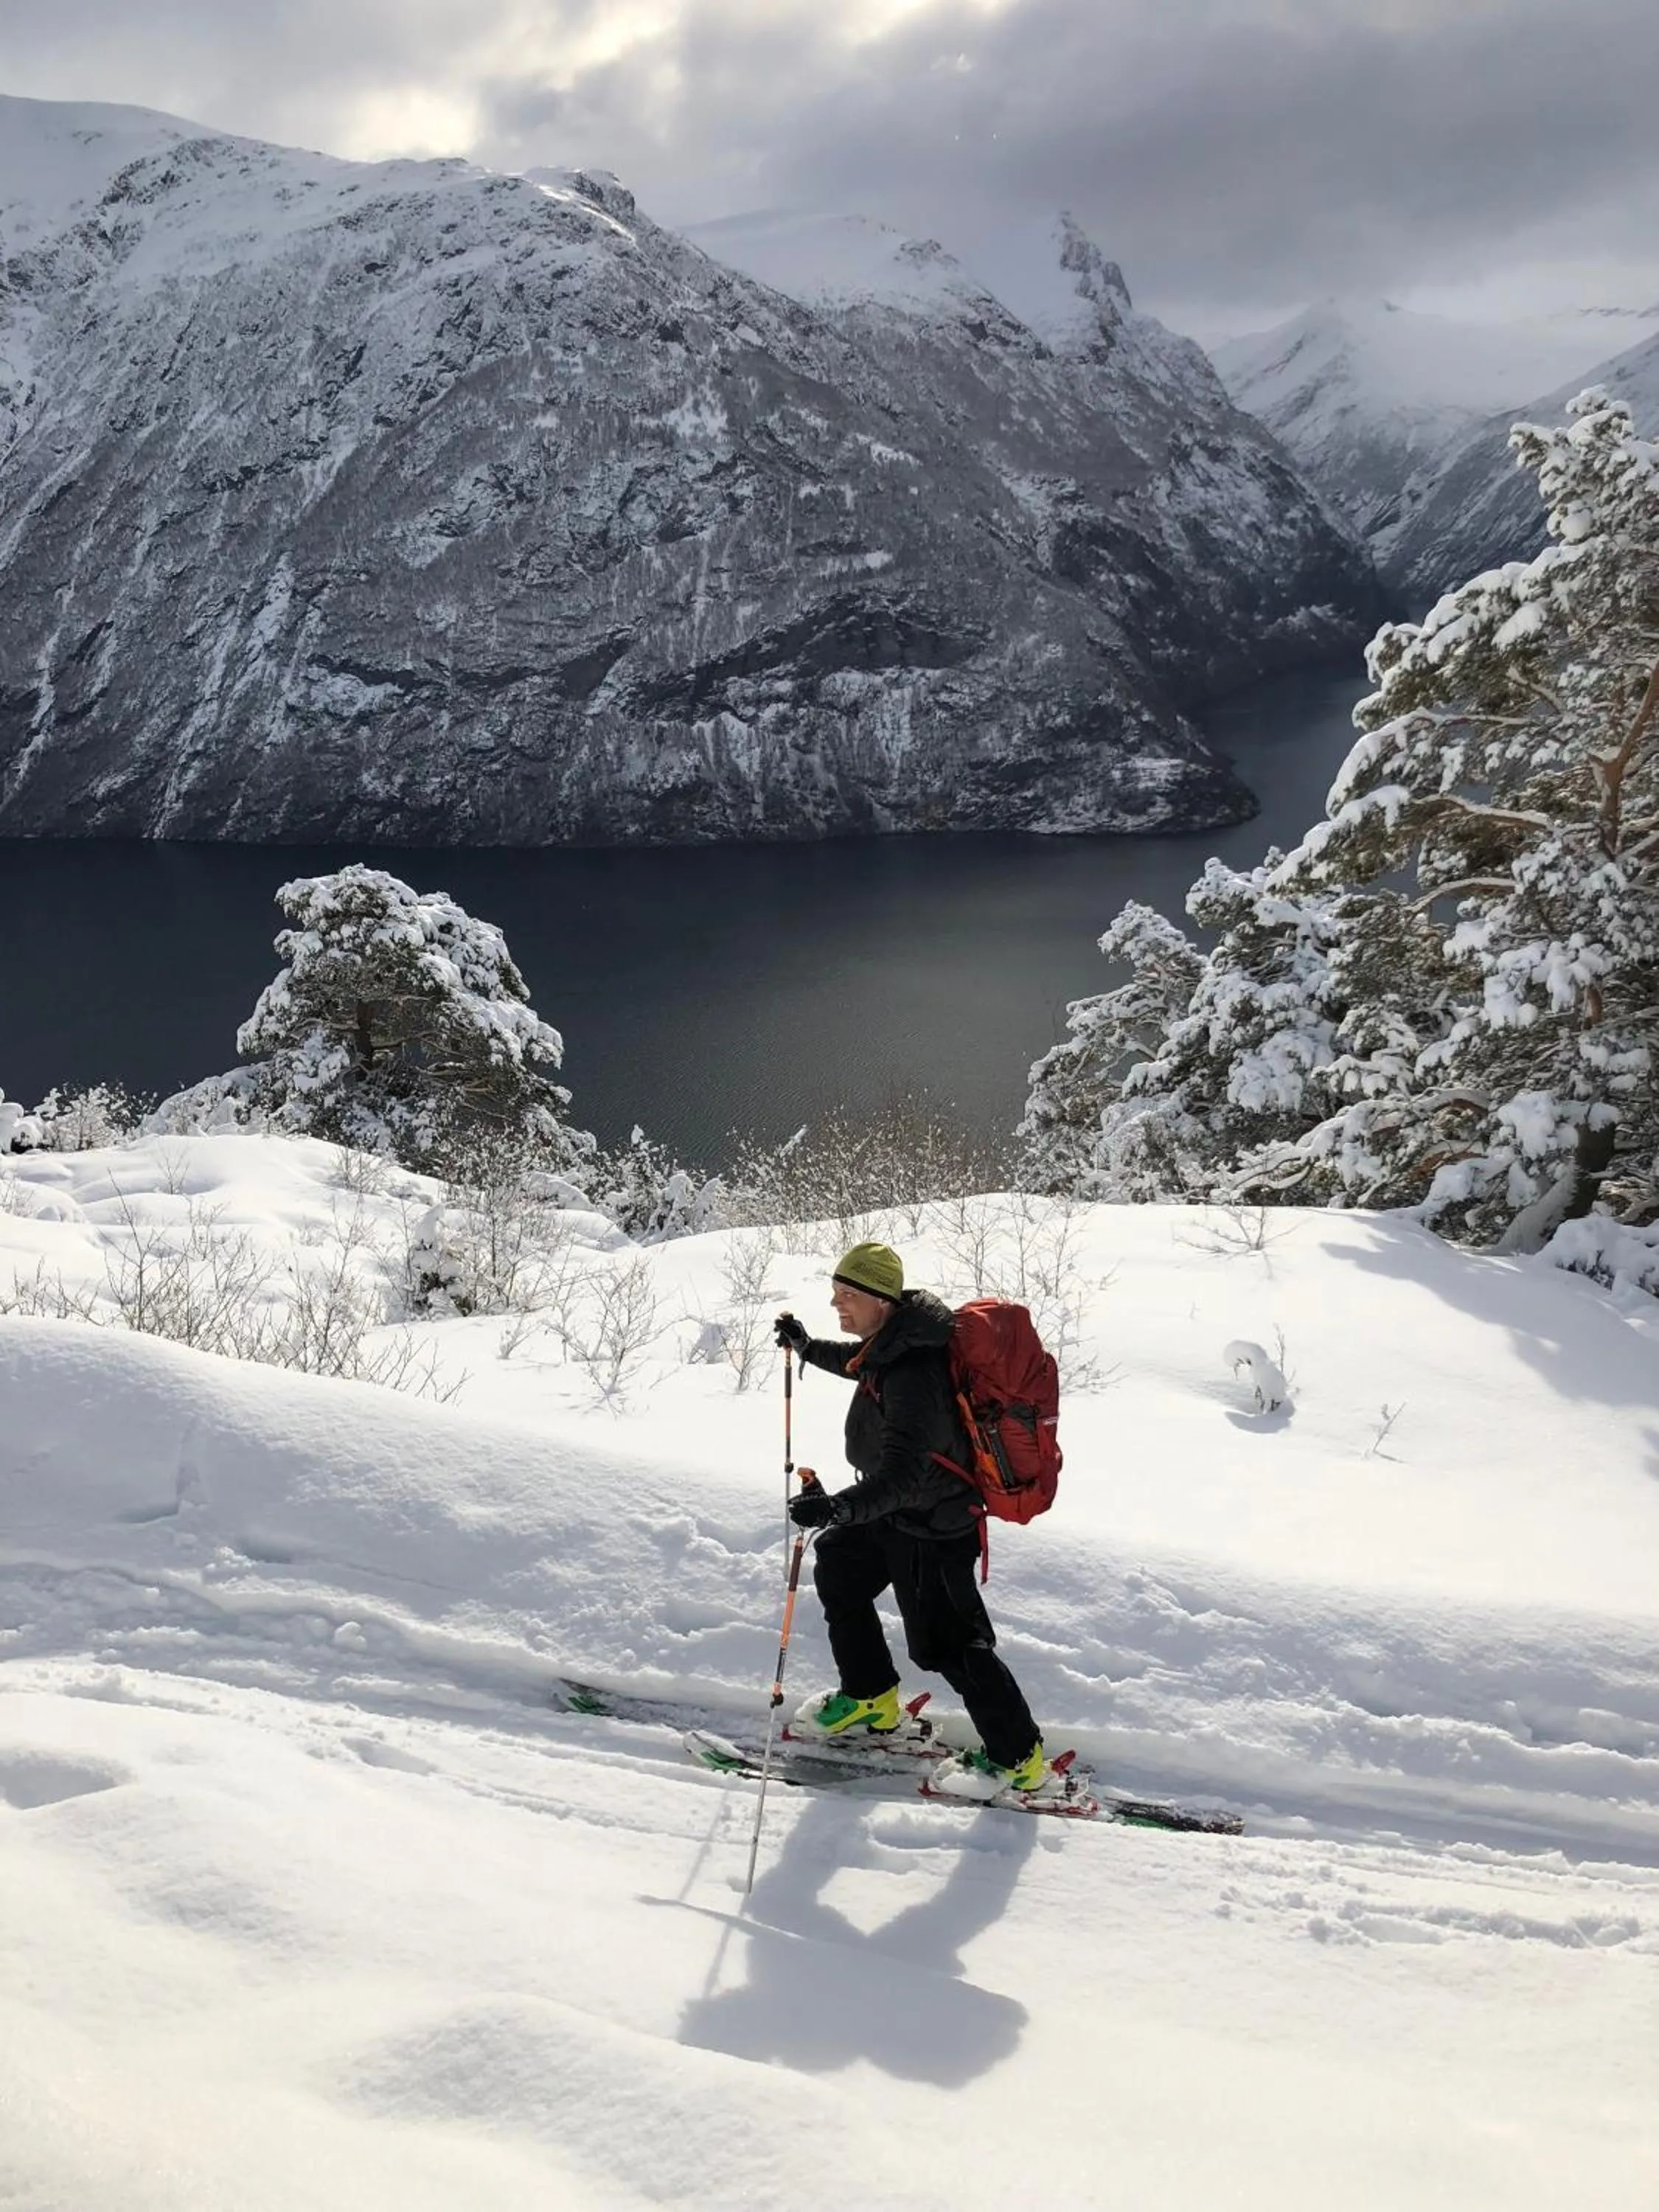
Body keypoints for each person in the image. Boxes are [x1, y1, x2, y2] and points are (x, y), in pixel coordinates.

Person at [773, 1240, 1047, 1799]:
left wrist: (838, 1507)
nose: (836, 1304)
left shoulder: (913, 1373)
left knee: (949, 1646)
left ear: (881, 1299)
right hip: (896, 1515)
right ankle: (871, 1698)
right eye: (835, 1292)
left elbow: (906, 1479)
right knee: (842, 1566)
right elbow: (859, 1366)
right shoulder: (893, 1342)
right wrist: (806, 1347)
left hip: (934, 1525)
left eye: (847, 1295)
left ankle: (1019, 1760)